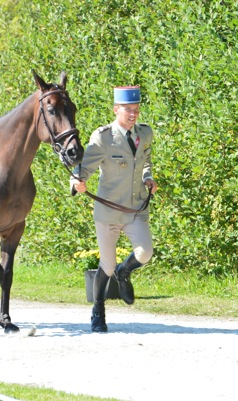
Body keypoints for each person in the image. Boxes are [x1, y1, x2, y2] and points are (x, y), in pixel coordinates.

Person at [70, 85, 158, 333]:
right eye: (128, 110)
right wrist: (76, 182)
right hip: (108, 212)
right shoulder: (104, 137)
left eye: (137, 109)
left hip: (135, 209)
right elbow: (83, 168)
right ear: (116, 109)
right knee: (105, 266)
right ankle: (98, 311)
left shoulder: (145, 134)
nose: (133, 114)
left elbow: (146, 162)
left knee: (146, 252)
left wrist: (148, 178)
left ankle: (124, 272)